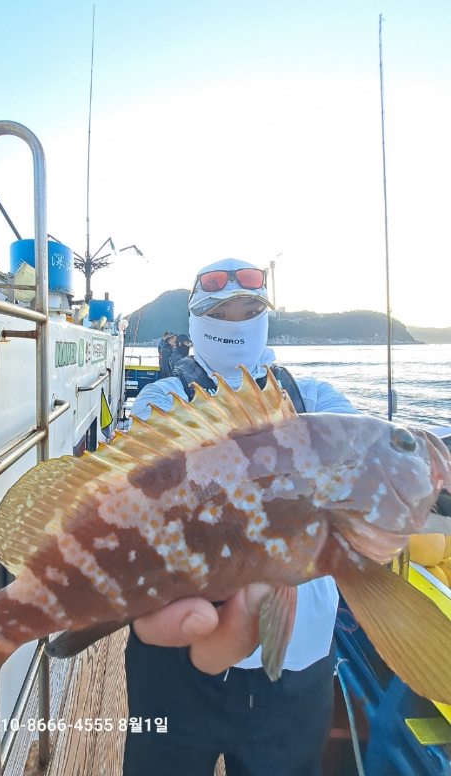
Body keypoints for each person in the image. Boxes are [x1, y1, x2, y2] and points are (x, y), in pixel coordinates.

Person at [122, 257, 358, 776]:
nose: (234, 323)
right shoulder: (161, 402)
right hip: (177, 662)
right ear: (194, 321)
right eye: (218, 313)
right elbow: (138, 488)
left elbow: (364, 447)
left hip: (295, 666)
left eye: (248, 310)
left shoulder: (313, 399)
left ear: (265, 318)